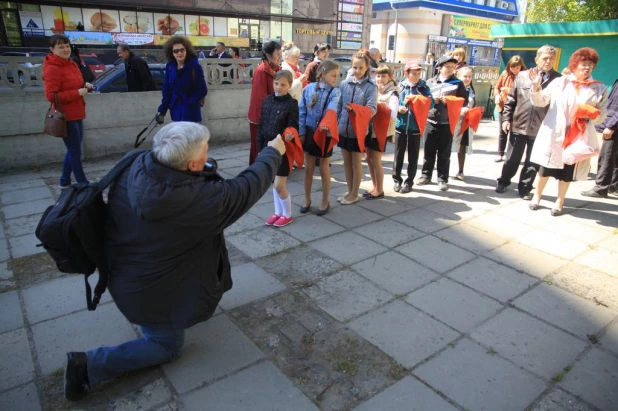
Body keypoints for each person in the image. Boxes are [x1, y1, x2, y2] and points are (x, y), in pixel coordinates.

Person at [63, 122, 287, 401]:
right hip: (147, 289)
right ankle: (87, 366)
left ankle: (156, 318)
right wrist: (272, 152)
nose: (209, 153)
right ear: (191, 164)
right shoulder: (198, 200)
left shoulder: (137, 160)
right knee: (165, 347)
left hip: (122, 268)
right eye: (206, 151)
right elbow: (245, 188)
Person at [529, 47, 608, 216]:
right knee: (546, 168)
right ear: (575, 64)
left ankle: (560, 201)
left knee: (567, 170)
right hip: (555, 132)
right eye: (583, 64)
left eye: (591, 65)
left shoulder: (599, 88)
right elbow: (541, 101)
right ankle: (537, 196)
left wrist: (593, 114)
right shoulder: (560, 82)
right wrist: (536, 88)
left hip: (577, 135)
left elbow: (602, 115)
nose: (587, 68)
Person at [496, 45, 561, 199]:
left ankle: (525, 188)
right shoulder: (523, 76)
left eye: (551, 58)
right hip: (519, 124)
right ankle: (504, 181)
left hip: (542, 128)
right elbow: (511, 99)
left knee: (533, 161)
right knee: (512, 158)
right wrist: (506, 119)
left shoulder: (558, 80)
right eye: (545, 58)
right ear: (536, 59)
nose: (548, 61)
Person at [44, 35, 92, 189]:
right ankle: (83, 184)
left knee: (73, 150)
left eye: (67, 45)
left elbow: (76, 86)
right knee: (75, 152)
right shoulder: (52, 67)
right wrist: (77, 93)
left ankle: (64, 181)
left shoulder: (71, 63)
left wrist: (86, 87)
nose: (65, 49)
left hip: (78, 112)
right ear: (52, 50)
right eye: (61, 47)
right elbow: (51, 95)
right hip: (65, 116)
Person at [417, 55, 468, 191]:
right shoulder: (429, 82)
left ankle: (442, 178)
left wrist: (449, 100)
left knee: (444, 153)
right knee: (428, 151)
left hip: (447, 122)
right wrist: (431, 99)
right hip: (430, 120)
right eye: (447, 67)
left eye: (453, 67)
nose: (450, 69)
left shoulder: (457, 83)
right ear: (439, 68)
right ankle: (425, 175)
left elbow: (464, 101)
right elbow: (423, 99)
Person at [299, 60, 341, 215]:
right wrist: (302, 132)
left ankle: (324, 201)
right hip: (310, 131)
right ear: (323, 74)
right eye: (333, 75)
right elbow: (302, 111)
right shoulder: (308, 89)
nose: (335, 78)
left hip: (325, 133)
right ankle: (307, 199)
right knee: (308, 166)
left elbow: (332, 108)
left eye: (337, 75)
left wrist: (326, 122)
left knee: (324, 167)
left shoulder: (335, 92)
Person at [258, 70, 299, 227]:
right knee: (274, 183)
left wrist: (289, 134)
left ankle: (287, 214)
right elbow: (261, 125)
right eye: (276, 83)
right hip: (268, 147)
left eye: (283, 84)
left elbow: (294, 125)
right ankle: (277, 212)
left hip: (283, 148)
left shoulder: (291, 103)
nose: (279, 87)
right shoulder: (267, 100)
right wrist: (260, 148)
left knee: (279, 185)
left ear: (289, 86)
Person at [337, 52, 377, 205]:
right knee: (346, 162)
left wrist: (355, 110)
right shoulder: (344, 84)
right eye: (355, 67)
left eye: (361, 67)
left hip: (359, 131)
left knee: (356, 162)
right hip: (343, 128)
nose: (357, 70)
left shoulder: (371, 87)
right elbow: (339, 106)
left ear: (367, 68)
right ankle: (350, 191)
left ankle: (355, 193)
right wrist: (337, 120)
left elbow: (372, 109)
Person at [393, 61, 433, 194]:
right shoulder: (400, 87)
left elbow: (430, 103)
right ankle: (397, 179)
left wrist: (416, 98)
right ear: (406, 73)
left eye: (418, 73)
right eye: (413, 74)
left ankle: (409, 181)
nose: (416, 76)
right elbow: (392, 103)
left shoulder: (423, 88)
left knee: (413, 156)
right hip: (401, 125)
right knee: (398, 155)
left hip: (415, 126)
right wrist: (399, 108)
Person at [364, 64, 398, 199]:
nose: (380, 79)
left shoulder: (393, 93)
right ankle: (374, 186)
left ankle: (380, 189)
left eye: (383, 76)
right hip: (369, 129)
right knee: (368, 159)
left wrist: (377, 107)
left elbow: (393, 114)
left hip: (380, 132)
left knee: (376, 160)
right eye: (378, 76)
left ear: (389, 77)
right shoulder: (374, 90)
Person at [581, 76, 618, 198]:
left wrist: (611, 126)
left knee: (607, 156)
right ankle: (614, 186)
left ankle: (601, 188)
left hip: (614, 125)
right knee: (615, 157)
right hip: (613, 122)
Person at [157, 36, 207, 123]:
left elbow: (202, 90)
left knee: (190, 136)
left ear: (186, 50)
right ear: (171, 53)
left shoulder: (194, 67)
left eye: (182, 50)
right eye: (176, 51)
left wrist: (190, 101)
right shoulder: (170, 66)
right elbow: (167, 90)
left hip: (191, 112)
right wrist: (162, 110)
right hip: (176, 111)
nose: (179, 53)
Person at [248, 40, 282, 164]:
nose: (280, 57)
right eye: (277, 54)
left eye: (280, 53)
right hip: (261, 118)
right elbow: (260, 99)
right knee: (259, 147)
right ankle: (256, 174)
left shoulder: (276, 69)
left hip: (272, 115)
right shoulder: (261, 71)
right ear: (268, 55)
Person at [493, 55, 527, 162]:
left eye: (517, 67)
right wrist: (497, 95)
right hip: (504, 106)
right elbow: (497, 88)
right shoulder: (505, 74)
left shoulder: (525, 76)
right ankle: (500, 153)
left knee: (514, 133)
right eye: (512, 67)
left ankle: (510, 155)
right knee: (502, 131)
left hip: (518, 108)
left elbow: (525, 93)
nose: (515, 70)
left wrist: (509, 90)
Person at [454, 66, 476, 181]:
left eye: (469, 76)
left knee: (462, 147)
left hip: (465, 123)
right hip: (453, 121)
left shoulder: (471, 91)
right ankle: (442, 169)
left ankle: (460, 170)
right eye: (465, 76)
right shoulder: (454, 88)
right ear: (458, 76)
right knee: (446, 146)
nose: (467, 79)